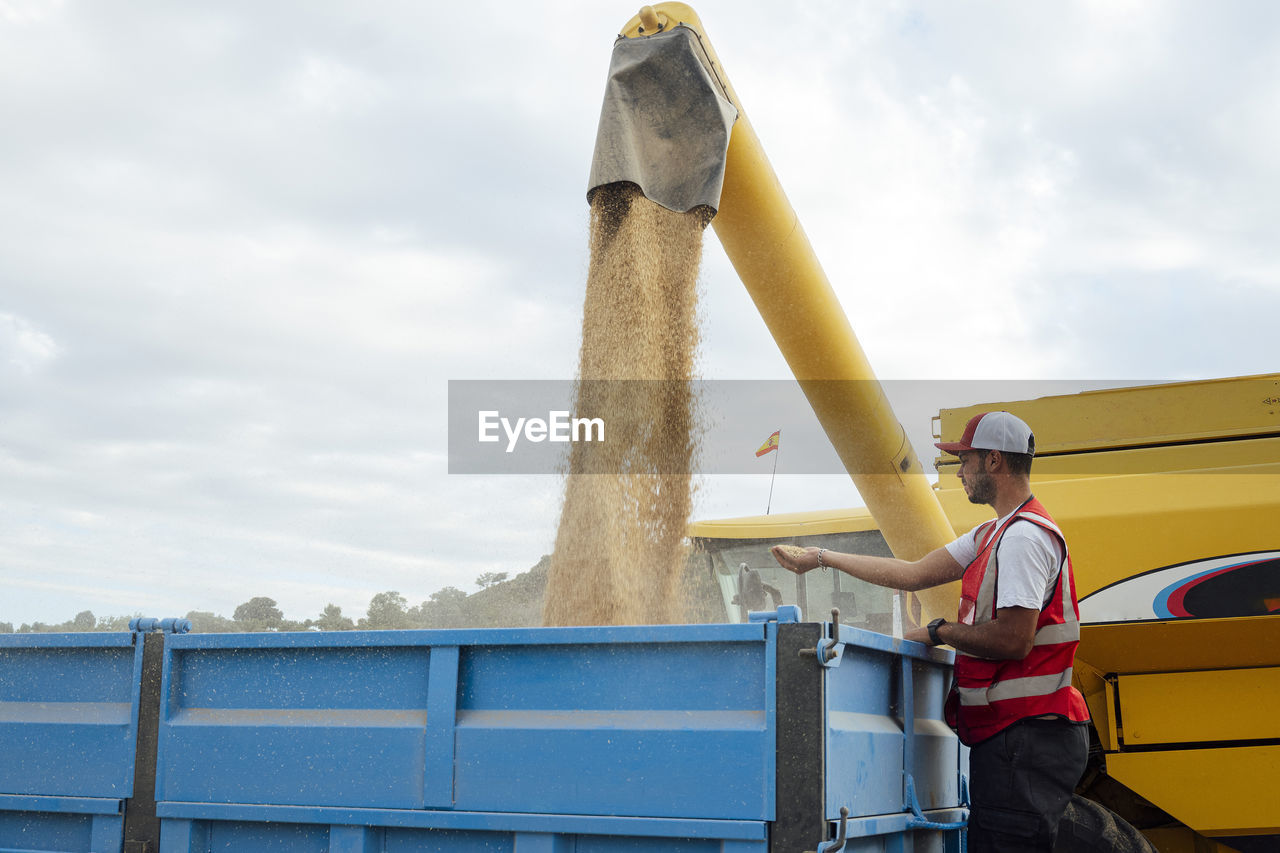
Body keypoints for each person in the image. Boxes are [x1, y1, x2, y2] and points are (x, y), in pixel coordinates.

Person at [771, 411, 1091, 852]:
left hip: (1028, 736)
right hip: (1017, 735)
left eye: (966, 459)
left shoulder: (1023, 539)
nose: (959, 471)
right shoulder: (992, 534)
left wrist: (939, 631)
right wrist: (822, 557)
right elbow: (913, 573)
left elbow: (1015, 640)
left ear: (994, 461)